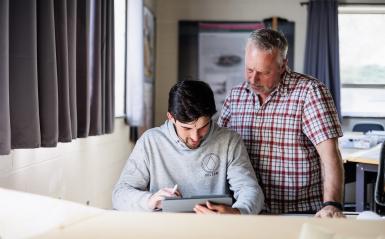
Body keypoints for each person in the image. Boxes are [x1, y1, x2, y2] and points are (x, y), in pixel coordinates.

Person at [218, 29, 344, 218]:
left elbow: (330, 156)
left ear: (283, 65)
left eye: (263, 72)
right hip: (247, 211)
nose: (253, 79)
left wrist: (332, 204)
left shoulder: (310, 92)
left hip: (299, 211)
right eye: (249, 69)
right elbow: (220, 151)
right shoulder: (236, 96)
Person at [112, 80, 264, 214]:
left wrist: (237, 212)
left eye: (203, 127)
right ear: (171, 117)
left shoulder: (229, 141)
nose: (195, 137)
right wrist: (150, 200)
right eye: (187, 128)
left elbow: (250, 190)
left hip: (215, 228)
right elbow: (120, 195)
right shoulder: (150, 141)